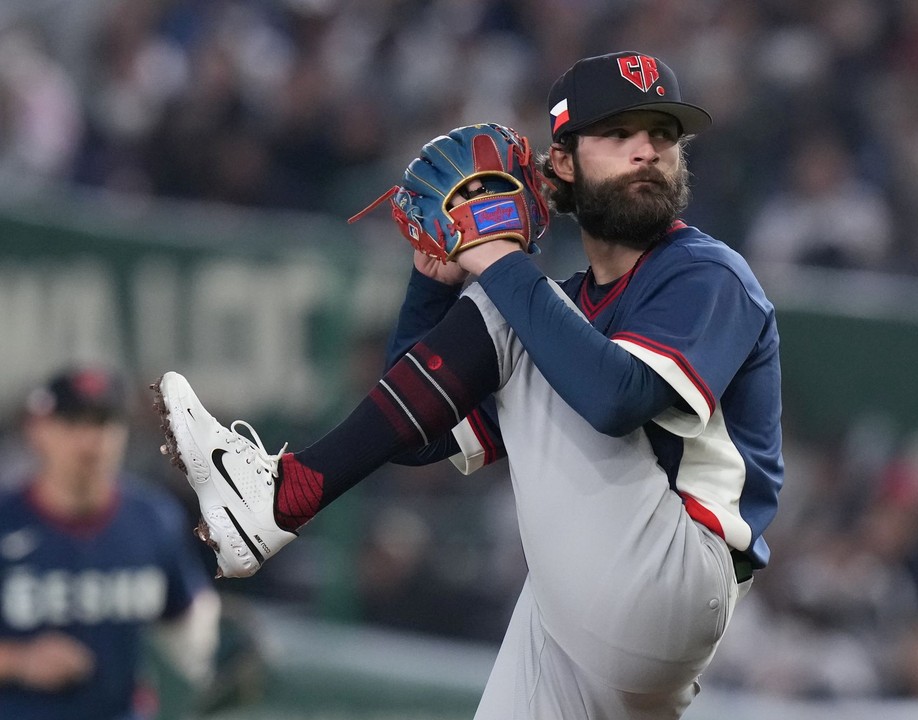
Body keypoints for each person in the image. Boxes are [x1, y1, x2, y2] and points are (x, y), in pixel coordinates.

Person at [154, 50, 784, 719]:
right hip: (587, 616)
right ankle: (281, 496)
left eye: (663, 135)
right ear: (563, 162)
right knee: (516, 309)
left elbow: (616, 398)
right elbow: (420, 435)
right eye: (619, 133)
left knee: (512, 308)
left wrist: (490, 253)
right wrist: (430, 287)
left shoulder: (707, 273)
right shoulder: (562, 306)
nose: (648, 151)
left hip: (673, 575)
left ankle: (281, 497)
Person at [0, 367, 220, 720]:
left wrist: (213, 645)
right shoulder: (7, 519)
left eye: (104, 423)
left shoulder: (154, 519)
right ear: (38, 430)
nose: (90, 441)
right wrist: (19, 661)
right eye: (72, 423)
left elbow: (187, 619)